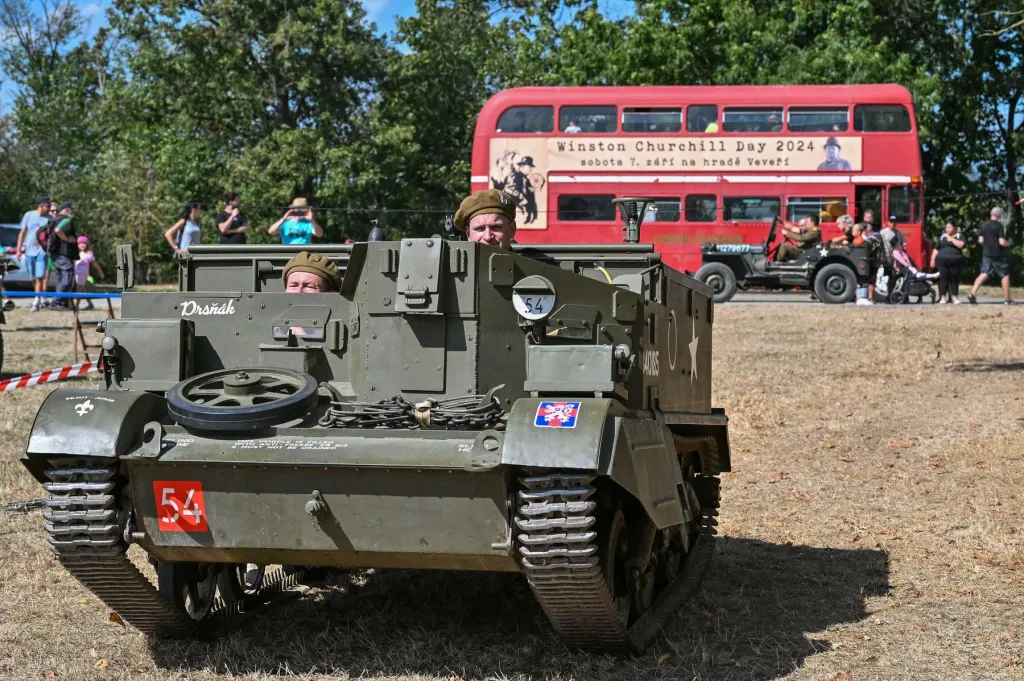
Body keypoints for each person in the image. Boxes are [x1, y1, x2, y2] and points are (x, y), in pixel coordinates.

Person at [967, 207, 1013, 305]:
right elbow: (1001, 241)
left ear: (991, 214)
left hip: (986, 253)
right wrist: (1009, 244)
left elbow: (980, 240)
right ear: (999, 215)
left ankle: (972, 293)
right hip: (997, 254)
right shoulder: (999, 226)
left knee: (984, 273)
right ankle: (1007, 300)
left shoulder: (984, 225)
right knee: (1005, 274)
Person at [15, 195, 52, 312]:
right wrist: (18, 249)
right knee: (33, 277)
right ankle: (38, 296)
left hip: (42, 251)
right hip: (29, 251)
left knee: (39, 276)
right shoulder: (29, 215)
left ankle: (37, 300)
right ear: (41, 206)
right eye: (48, 206)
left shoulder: (50, 219)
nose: (50, 208)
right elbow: (22, 232)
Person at [46, 203, 79, 309]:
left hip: (54, 254)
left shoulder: (54, 220)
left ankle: (60, 302)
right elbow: (58, 230)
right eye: (71, 210)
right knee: (68, 274)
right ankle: (56, 302)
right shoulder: (66, 220)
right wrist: (67, 239)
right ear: (67, 210)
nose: (72, 212)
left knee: (61, 277)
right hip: (62, 254)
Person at [930, 220, 967, 304]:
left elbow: (961, 245)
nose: (947, 229)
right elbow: (936, 248)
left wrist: (952, 239)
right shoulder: (943, 237)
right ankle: (942, 297)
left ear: (954, 228)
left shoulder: (959, 236)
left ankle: (955, 297)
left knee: (954, 279)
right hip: (942, 260)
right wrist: (932, 259)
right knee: (943, 278)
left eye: (949, 227)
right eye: (946, 227)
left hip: (955, 260)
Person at [74, 235, 104, 310]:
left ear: (87, 244)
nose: (82, 245)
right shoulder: (75, 253)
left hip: (83, 274)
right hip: (76, 274)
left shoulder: (89, 254)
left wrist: (100, 272)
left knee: (79, 290)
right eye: (80, 243)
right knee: (82, 290)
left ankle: (76, 306)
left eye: (84, 243)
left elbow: (95, 264)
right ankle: (90, 304)